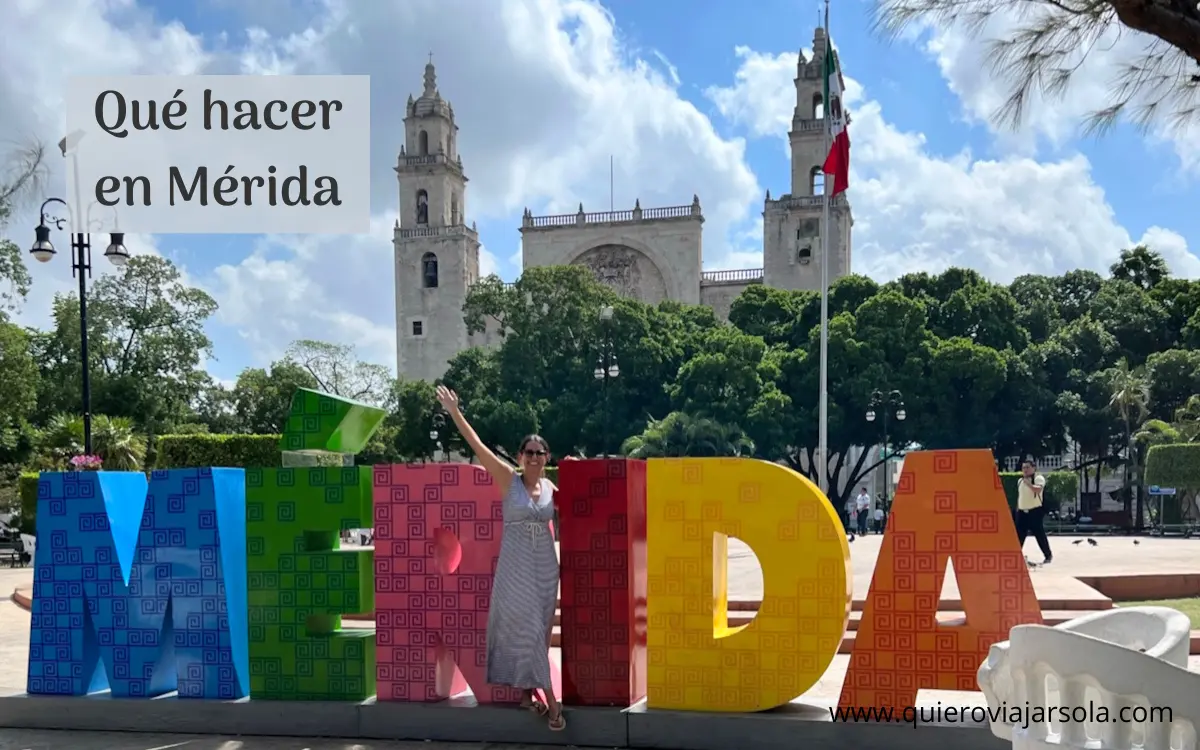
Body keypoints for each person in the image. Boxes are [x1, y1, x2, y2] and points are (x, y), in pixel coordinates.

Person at [436, 385, 565, 731]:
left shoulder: (553, 489)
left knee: (538, 633)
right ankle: (551, 701)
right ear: (521, 456)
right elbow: (476, 445)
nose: (535, 457)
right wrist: (454, 412)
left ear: (547, 457)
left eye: (541, 452)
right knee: (526, 629)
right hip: (515, 571)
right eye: (529, 452)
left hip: (544, 570)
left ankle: (526, 695)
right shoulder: (509, 481)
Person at [1016, 459, 1053, 565]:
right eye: (1023, 468)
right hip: (1022, 512)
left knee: (1039, 534)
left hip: (1035, 511)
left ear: (1033, 468)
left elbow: (1038, 490)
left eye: (1027, 467)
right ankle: (1015, 556)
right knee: (1019, 536)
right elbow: (1020, 496)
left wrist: (1029, 484)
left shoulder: (1038, 478)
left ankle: (1048, 555)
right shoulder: (1020, 481)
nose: (1025, 470)